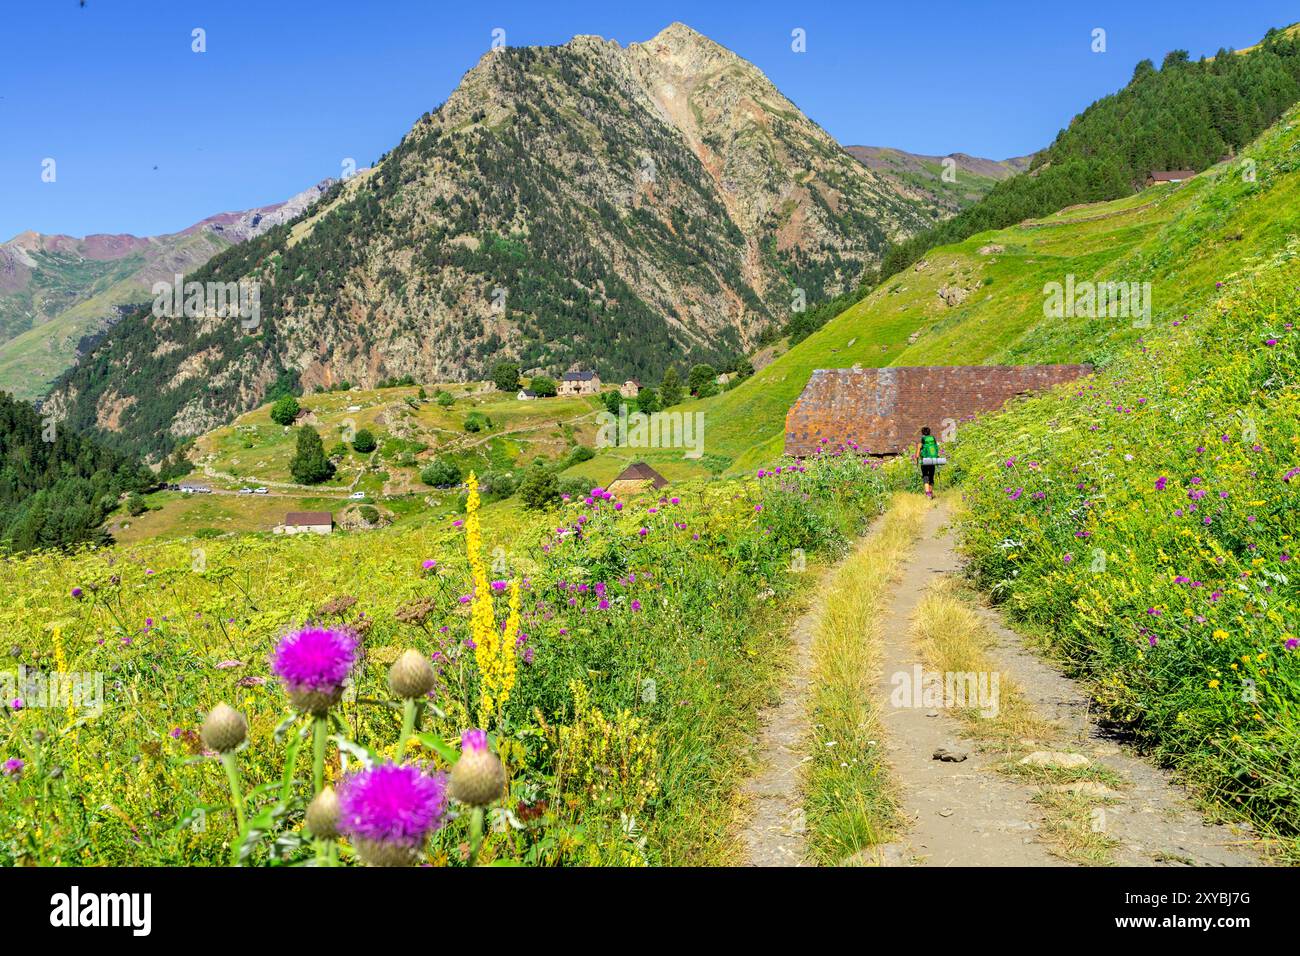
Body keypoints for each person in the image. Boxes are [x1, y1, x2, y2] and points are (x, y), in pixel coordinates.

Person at [913, 426, 940, 499]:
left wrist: (916, 462)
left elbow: (917, 455)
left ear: (922, 433)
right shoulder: (933, 441)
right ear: (929, 432)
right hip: (932, 461)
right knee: (931, 477)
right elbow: (936, 451)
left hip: (924, 461)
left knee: (925, 476)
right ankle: (931, 493)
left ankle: (928, 494)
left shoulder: (921, 442)